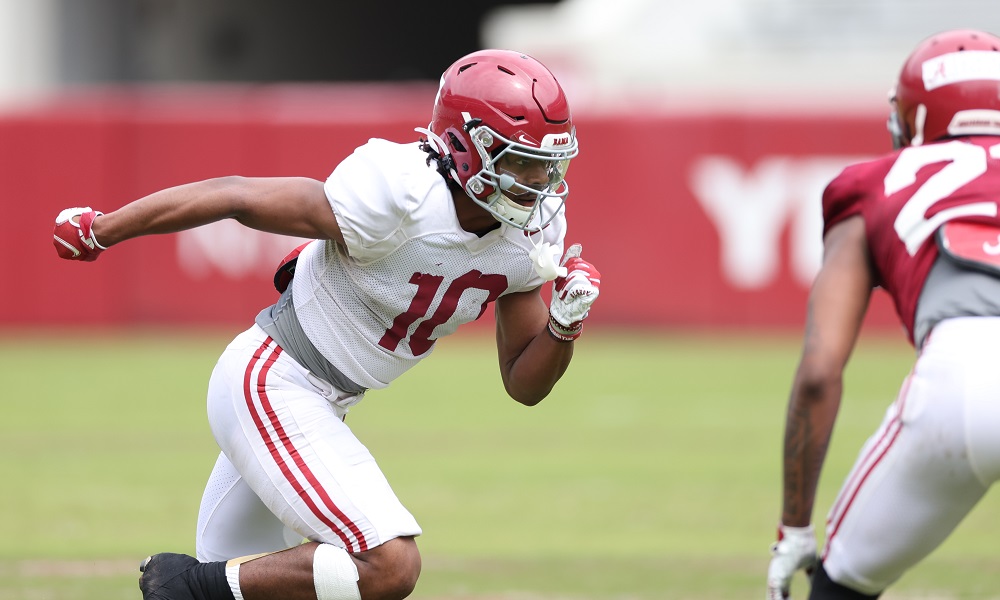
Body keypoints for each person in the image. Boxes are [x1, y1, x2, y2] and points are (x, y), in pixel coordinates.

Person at [52, 49, 601, 600]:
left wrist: (564, 325)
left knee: (260, 583)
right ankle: (181, 587)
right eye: (520, 162)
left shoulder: (531, 233)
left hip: (323, 402)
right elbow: (236, 195)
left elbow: (523, 384)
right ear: (465, 147)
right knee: (388, 564)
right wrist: (103, 229)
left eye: (548, 165)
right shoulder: (401, 193)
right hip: (272, 380)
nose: (538, 183)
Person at [766, 28, 1000, 599]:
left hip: (967, 381)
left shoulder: (872, 184)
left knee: (842, 585)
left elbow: (820, 371)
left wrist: (793, 526)